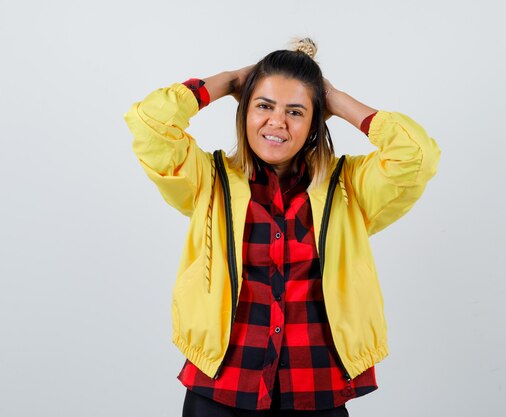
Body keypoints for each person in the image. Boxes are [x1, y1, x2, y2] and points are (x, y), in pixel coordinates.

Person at [124, 38, 441, 416]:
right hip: (222, 389)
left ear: (313, 124)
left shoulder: (348, 187)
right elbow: (150, 126)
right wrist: (226, 82)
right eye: (263, 105)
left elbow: (417, 156)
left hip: (315, 388)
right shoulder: (208, 180)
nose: (277, 121)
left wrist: (336, 101)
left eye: (295, 111)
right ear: (244, 112)